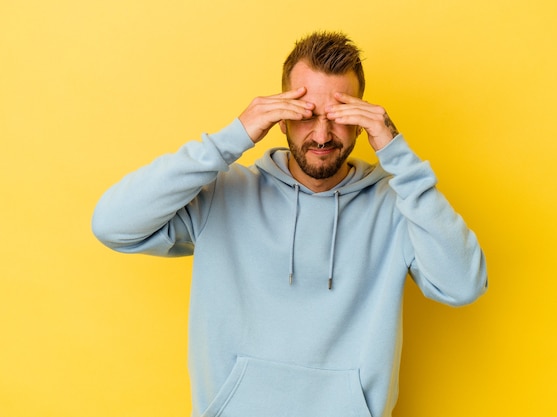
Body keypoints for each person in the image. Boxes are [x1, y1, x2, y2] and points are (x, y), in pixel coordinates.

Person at [92, 31, 487, 417]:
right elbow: (113, 224)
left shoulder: (398, 205)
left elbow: (463, 285)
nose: (322, 134)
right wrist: (232, 137)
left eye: (337, 116)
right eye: (306, 115)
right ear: (280, 118)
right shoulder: (224, 194)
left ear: (361, 119)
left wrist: (398, 154)